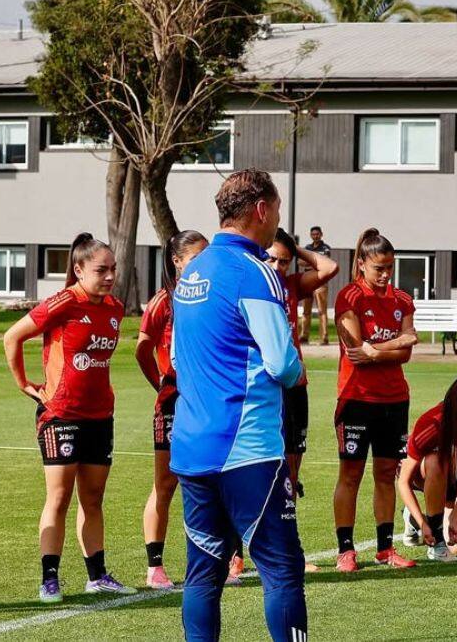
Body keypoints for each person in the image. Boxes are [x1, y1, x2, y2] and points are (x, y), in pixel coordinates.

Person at [170, 169, 306, 642]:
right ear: (262, 210)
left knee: (203, 573)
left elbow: (176, 359)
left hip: (192, 447)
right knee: (282, 570)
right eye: (278, 210)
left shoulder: (192, 272)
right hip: (247, 448)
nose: (278, 221)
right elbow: (282, 363)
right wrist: (295, 370)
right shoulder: (254, 270)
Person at [4, 233, 131, 603]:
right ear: (78, 269)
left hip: (100, 416)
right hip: (61, 415)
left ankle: (97, 576)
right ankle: (50, 579)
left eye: (113, 269)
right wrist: (23, 383)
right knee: (59, 497)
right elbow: (12, 336)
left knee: (93, 498)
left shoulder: (115, 308)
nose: (110, 276)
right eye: (101, 270)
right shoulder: (63, 302)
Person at [332, 228, 419, 572]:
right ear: (362, 264)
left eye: (389, 268)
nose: (385, 275)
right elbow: (357, 354)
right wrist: (395, 343)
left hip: (394, 400)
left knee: (386, 473)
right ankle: (346, 550)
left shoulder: (402, 300)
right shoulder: (350, 297)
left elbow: (406, 352)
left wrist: (377, 349)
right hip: (356, 398)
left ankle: (385, 548)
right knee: (351, 474)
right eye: (379, 268)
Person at [259, 228, 338, 576]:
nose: (277, 266)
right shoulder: (250, 285)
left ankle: (290, 552)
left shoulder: (291, 286)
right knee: (252, 471)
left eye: (284, 261)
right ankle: (236, 555)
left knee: (290, 475)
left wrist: (296, 249)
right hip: (262, 389)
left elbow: (329, 267)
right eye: (271, 258)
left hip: (294, 388)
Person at [136, 230, 209, 590]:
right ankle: (155, 566)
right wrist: (162, 384)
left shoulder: (213, 294)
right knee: (165, 484)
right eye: (195, 258)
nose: (203, 264)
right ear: (177, 262)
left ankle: (219, 559)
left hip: (208, 403)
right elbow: (142, 349)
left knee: (210, 481)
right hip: (173, 402)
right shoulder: (163, 301)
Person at [397, 376, 457, 562]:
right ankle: (435, 541)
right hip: (423, 475)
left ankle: (413, 521)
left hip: (454, 478)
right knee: (436, 461)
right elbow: (403, 481)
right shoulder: (431, 423)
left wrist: (455, 518)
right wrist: (424, 523)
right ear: (453, 409)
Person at [300, 225, 332, 346]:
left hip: (320, 282)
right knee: (306, 311)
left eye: (317, 234)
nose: (315, 236)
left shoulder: (325, 248)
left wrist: (309, 262)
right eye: (313, 234)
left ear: (321, 234)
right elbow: (300, 262)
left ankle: (324, 337)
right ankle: (304, 336)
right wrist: (316, 262)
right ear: (310, 235)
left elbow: (325, 262)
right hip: (308, 281)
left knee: (321, 311)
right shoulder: (307, 248)